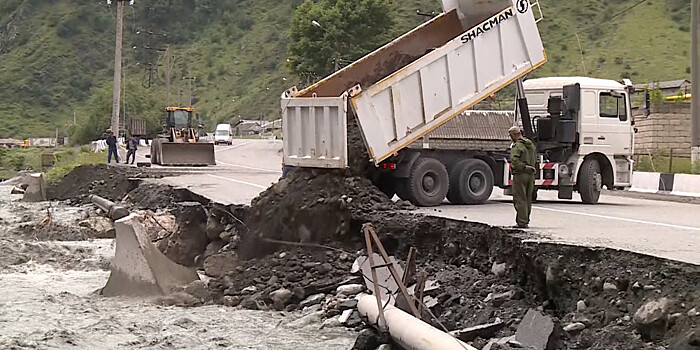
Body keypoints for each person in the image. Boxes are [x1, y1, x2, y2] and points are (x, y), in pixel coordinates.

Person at [509, 126, 536, 228]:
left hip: (521, 174)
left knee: (520, 198)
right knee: (528, 198)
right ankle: (526, 220)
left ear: (513, 135)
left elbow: (514, 161)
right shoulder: (530, 145)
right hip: (531, 174)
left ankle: (521, 222)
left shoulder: (517, 146)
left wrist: (522, 167)